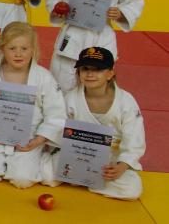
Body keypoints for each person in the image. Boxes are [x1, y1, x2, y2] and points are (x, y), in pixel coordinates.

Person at [0, 22, 65, 188]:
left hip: (29, 138)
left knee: (22, 180)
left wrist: (38, 140)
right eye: (12, 48)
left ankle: (44, 157)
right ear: (1, 49)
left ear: (33, 49)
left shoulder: (44, 78)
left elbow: (55, 114)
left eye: (24, 49)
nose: (18, 54)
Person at [42, 47, 145, 200]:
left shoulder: (126, 102)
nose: (90, 74)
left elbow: (134, 139)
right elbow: (58, 129)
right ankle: (86, 179)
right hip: (75, 155)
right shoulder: (71, 99)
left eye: (97, 70)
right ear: (78, 73)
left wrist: (122, 165)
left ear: (110, 73)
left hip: (109, 161)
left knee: (131, 190)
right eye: (85, 69)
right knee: (46, 176)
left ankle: (86, 181)